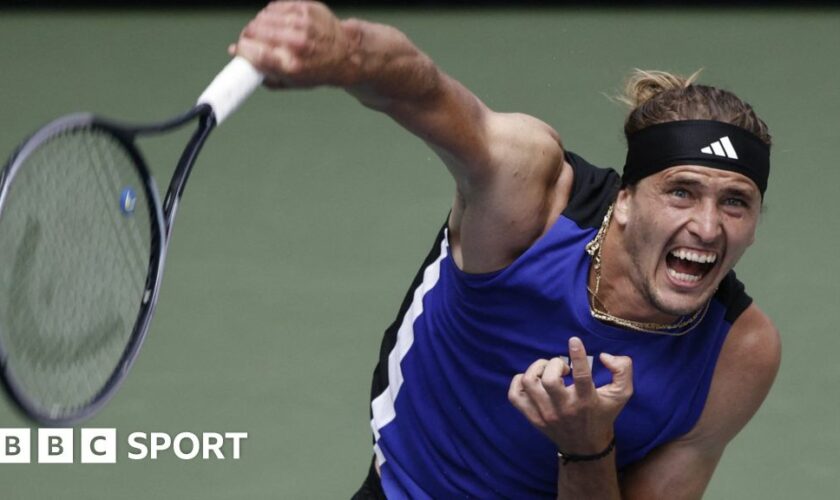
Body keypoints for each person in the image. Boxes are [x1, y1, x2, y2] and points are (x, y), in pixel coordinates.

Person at [230, 2, 781, 498]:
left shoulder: (741, 353)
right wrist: (347, 52)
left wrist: (586, 446)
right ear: (628, 199)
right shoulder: (534, 201)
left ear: (755, 224)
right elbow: (425, 94)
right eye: (681, 192)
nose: (707, 227)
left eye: (736, 202)